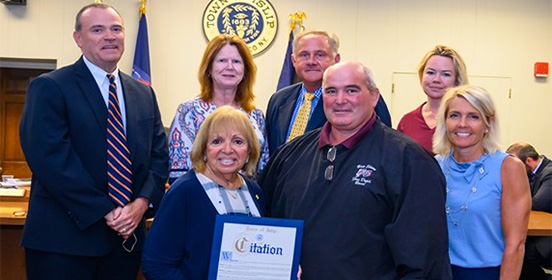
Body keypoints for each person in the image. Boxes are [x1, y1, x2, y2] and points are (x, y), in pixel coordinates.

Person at [260, 61, 452, 279]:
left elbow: (426, 262)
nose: (340, 100)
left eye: (352, 90)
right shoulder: (290, 156)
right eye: (331, 91)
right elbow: (265, 228)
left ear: (374, 96)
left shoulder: (409, 161)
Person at [18, 3, 169, 280]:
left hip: (125, 243)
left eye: (116, 29)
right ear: (78, 38)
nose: (109, 36)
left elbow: (158, 158)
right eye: (97, 30)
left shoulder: (143, 94)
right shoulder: (50, 86)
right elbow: (50, 160)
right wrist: (107, 211)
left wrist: (141, 204)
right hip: (64, 244)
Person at [142, 106, 265, 279]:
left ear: (249, 150)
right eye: (217, 141)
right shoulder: (185, 192)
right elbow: (156, 265)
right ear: (204, 148)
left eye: (238, 141)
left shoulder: (255, 192)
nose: (227, 149)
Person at [433, 85, 531, 280]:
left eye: (473, 116)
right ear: (445, 121)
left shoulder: (508, 168)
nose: (462, 124)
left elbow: (516, 245)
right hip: (439, 271)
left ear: (487, 124)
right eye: (454, 115)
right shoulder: (434, 166)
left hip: (487, 274)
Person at [265, 30, 392, 155]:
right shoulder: (279, 99)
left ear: (336, 59)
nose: (311, 61)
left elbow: (382, 145)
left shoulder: (362, 97)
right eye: (304, 55)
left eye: (320, 55)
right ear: (293, 60)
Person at [167, 35, 269, 184]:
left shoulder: (256, 116)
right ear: (209, 67)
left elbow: (263, 171)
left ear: (245, 70)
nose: (230, 67)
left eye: (236, 62)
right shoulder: (188, 112)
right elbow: (178, 174)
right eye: (222, 61)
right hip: (200, 200)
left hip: (245, 200)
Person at [397, 45, 468, 153]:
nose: (436, 80)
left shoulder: (466, 121)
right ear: (421, 75)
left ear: (457, 80)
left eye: (446, 74)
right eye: (430, 72)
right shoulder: (407, 122)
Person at [506, 142, 551, 280]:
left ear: (529, 161)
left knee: (522, 253)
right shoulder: (534, 174)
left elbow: (537, 203)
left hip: (547, 236)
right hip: (539, 232)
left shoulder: (549, 173)